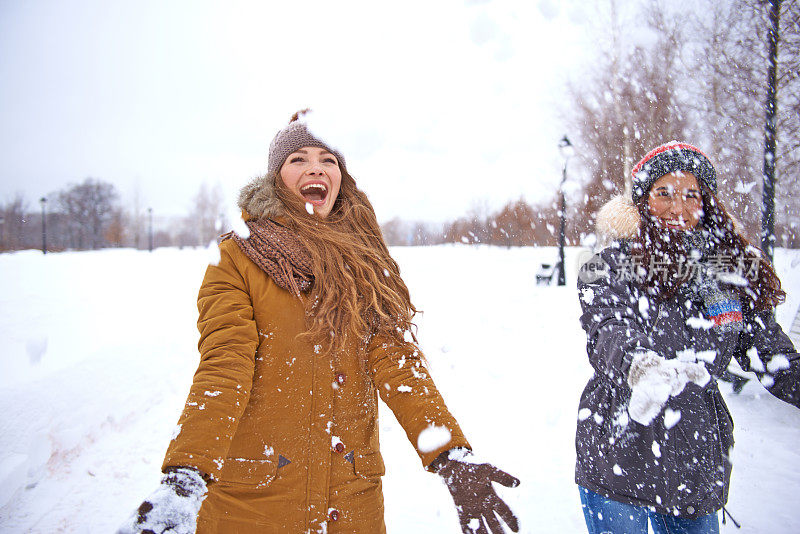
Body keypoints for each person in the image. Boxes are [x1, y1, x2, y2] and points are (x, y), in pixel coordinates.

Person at [117, 110, 519, 534]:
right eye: (298, 159)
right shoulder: (236, 258)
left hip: (350, 506)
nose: (316, 168)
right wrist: (186, 476)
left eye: (328, 159)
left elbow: (398, 365)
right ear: (275, 178)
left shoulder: (365, 263)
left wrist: (449, 454)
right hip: (254, 507)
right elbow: (224, 365)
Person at [574, 141, 800, 534]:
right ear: (642, 201)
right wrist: (641, 366)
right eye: (663, 193)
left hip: (694, 462)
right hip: (618, 448)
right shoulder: (606, 265)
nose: (677, 208)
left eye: (690, 194)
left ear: (706, 202)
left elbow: (773, 358)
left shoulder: (730, 273)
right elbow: (606, 327)